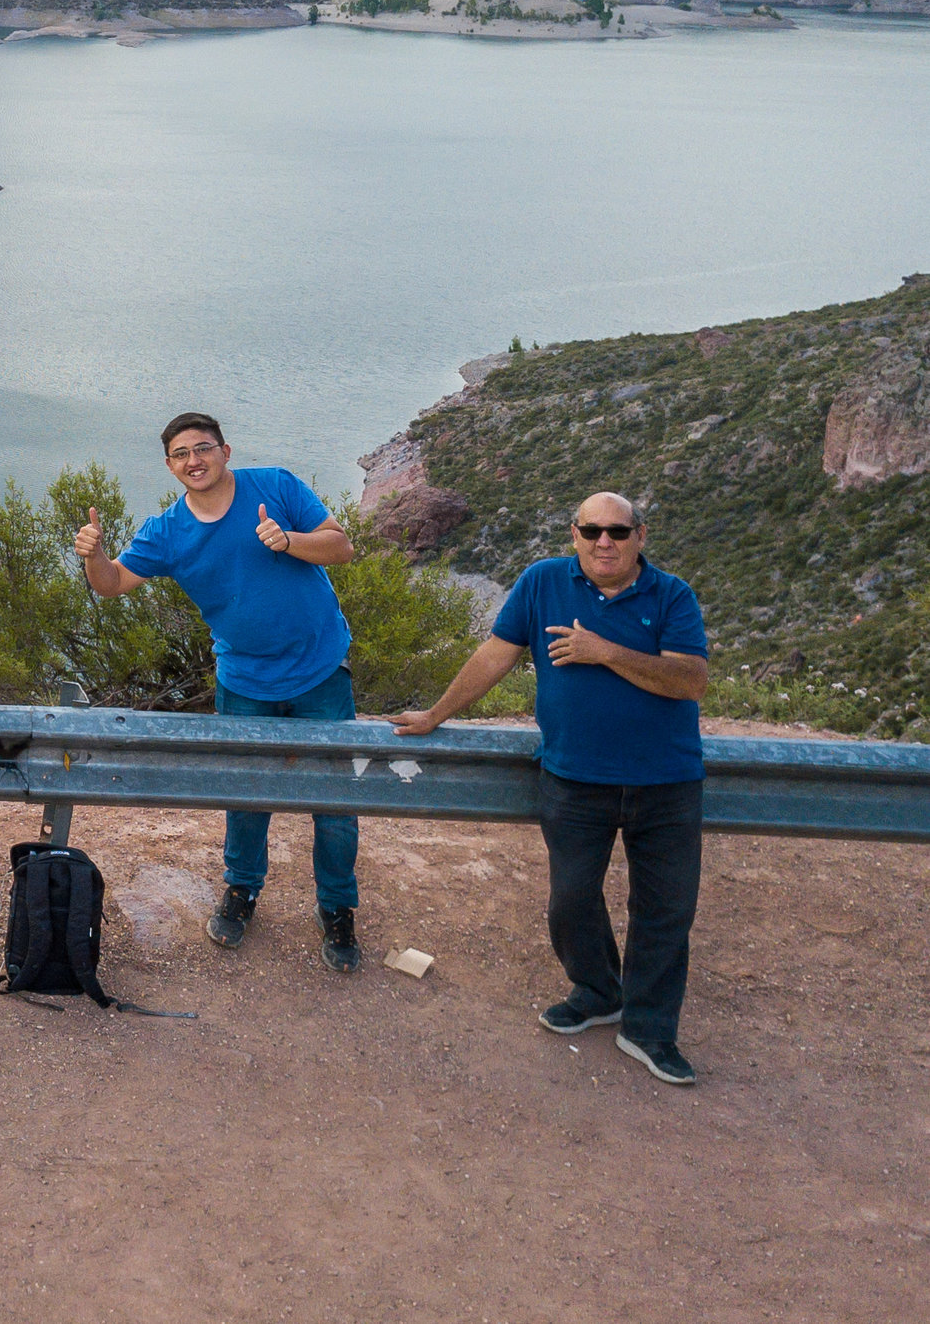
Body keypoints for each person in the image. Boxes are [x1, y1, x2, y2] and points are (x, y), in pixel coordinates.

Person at [392, 492, 710, 1087]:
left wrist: (604, 652)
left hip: (666, 783)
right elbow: (496, 655)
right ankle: (597, 992)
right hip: (573, 778)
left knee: (664, 911)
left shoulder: (671, 596)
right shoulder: (542, 583)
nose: (603, 542)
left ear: (641, 535)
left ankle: (649, 1030)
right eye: (591, 531)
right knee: (570, 900)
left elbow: (690, 681)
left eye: (617, 530)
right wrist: (436, 714)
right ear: (575, 535)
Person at [75, 412, 364, 971]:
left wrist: (289, 541)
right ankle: (242, 891)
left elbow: (340, 546)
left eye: (203, 448)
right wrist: (94, 556)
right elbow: (112, 586)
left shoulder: (275, 486)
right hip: (245, 681)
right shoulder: (167, 532)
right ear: (169, 466)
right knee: (247, 794)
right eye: (181, 453)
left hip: (320, 670)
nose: (194, 460)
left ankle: (337, 907)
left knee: (335, 803)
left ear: (225, 451)